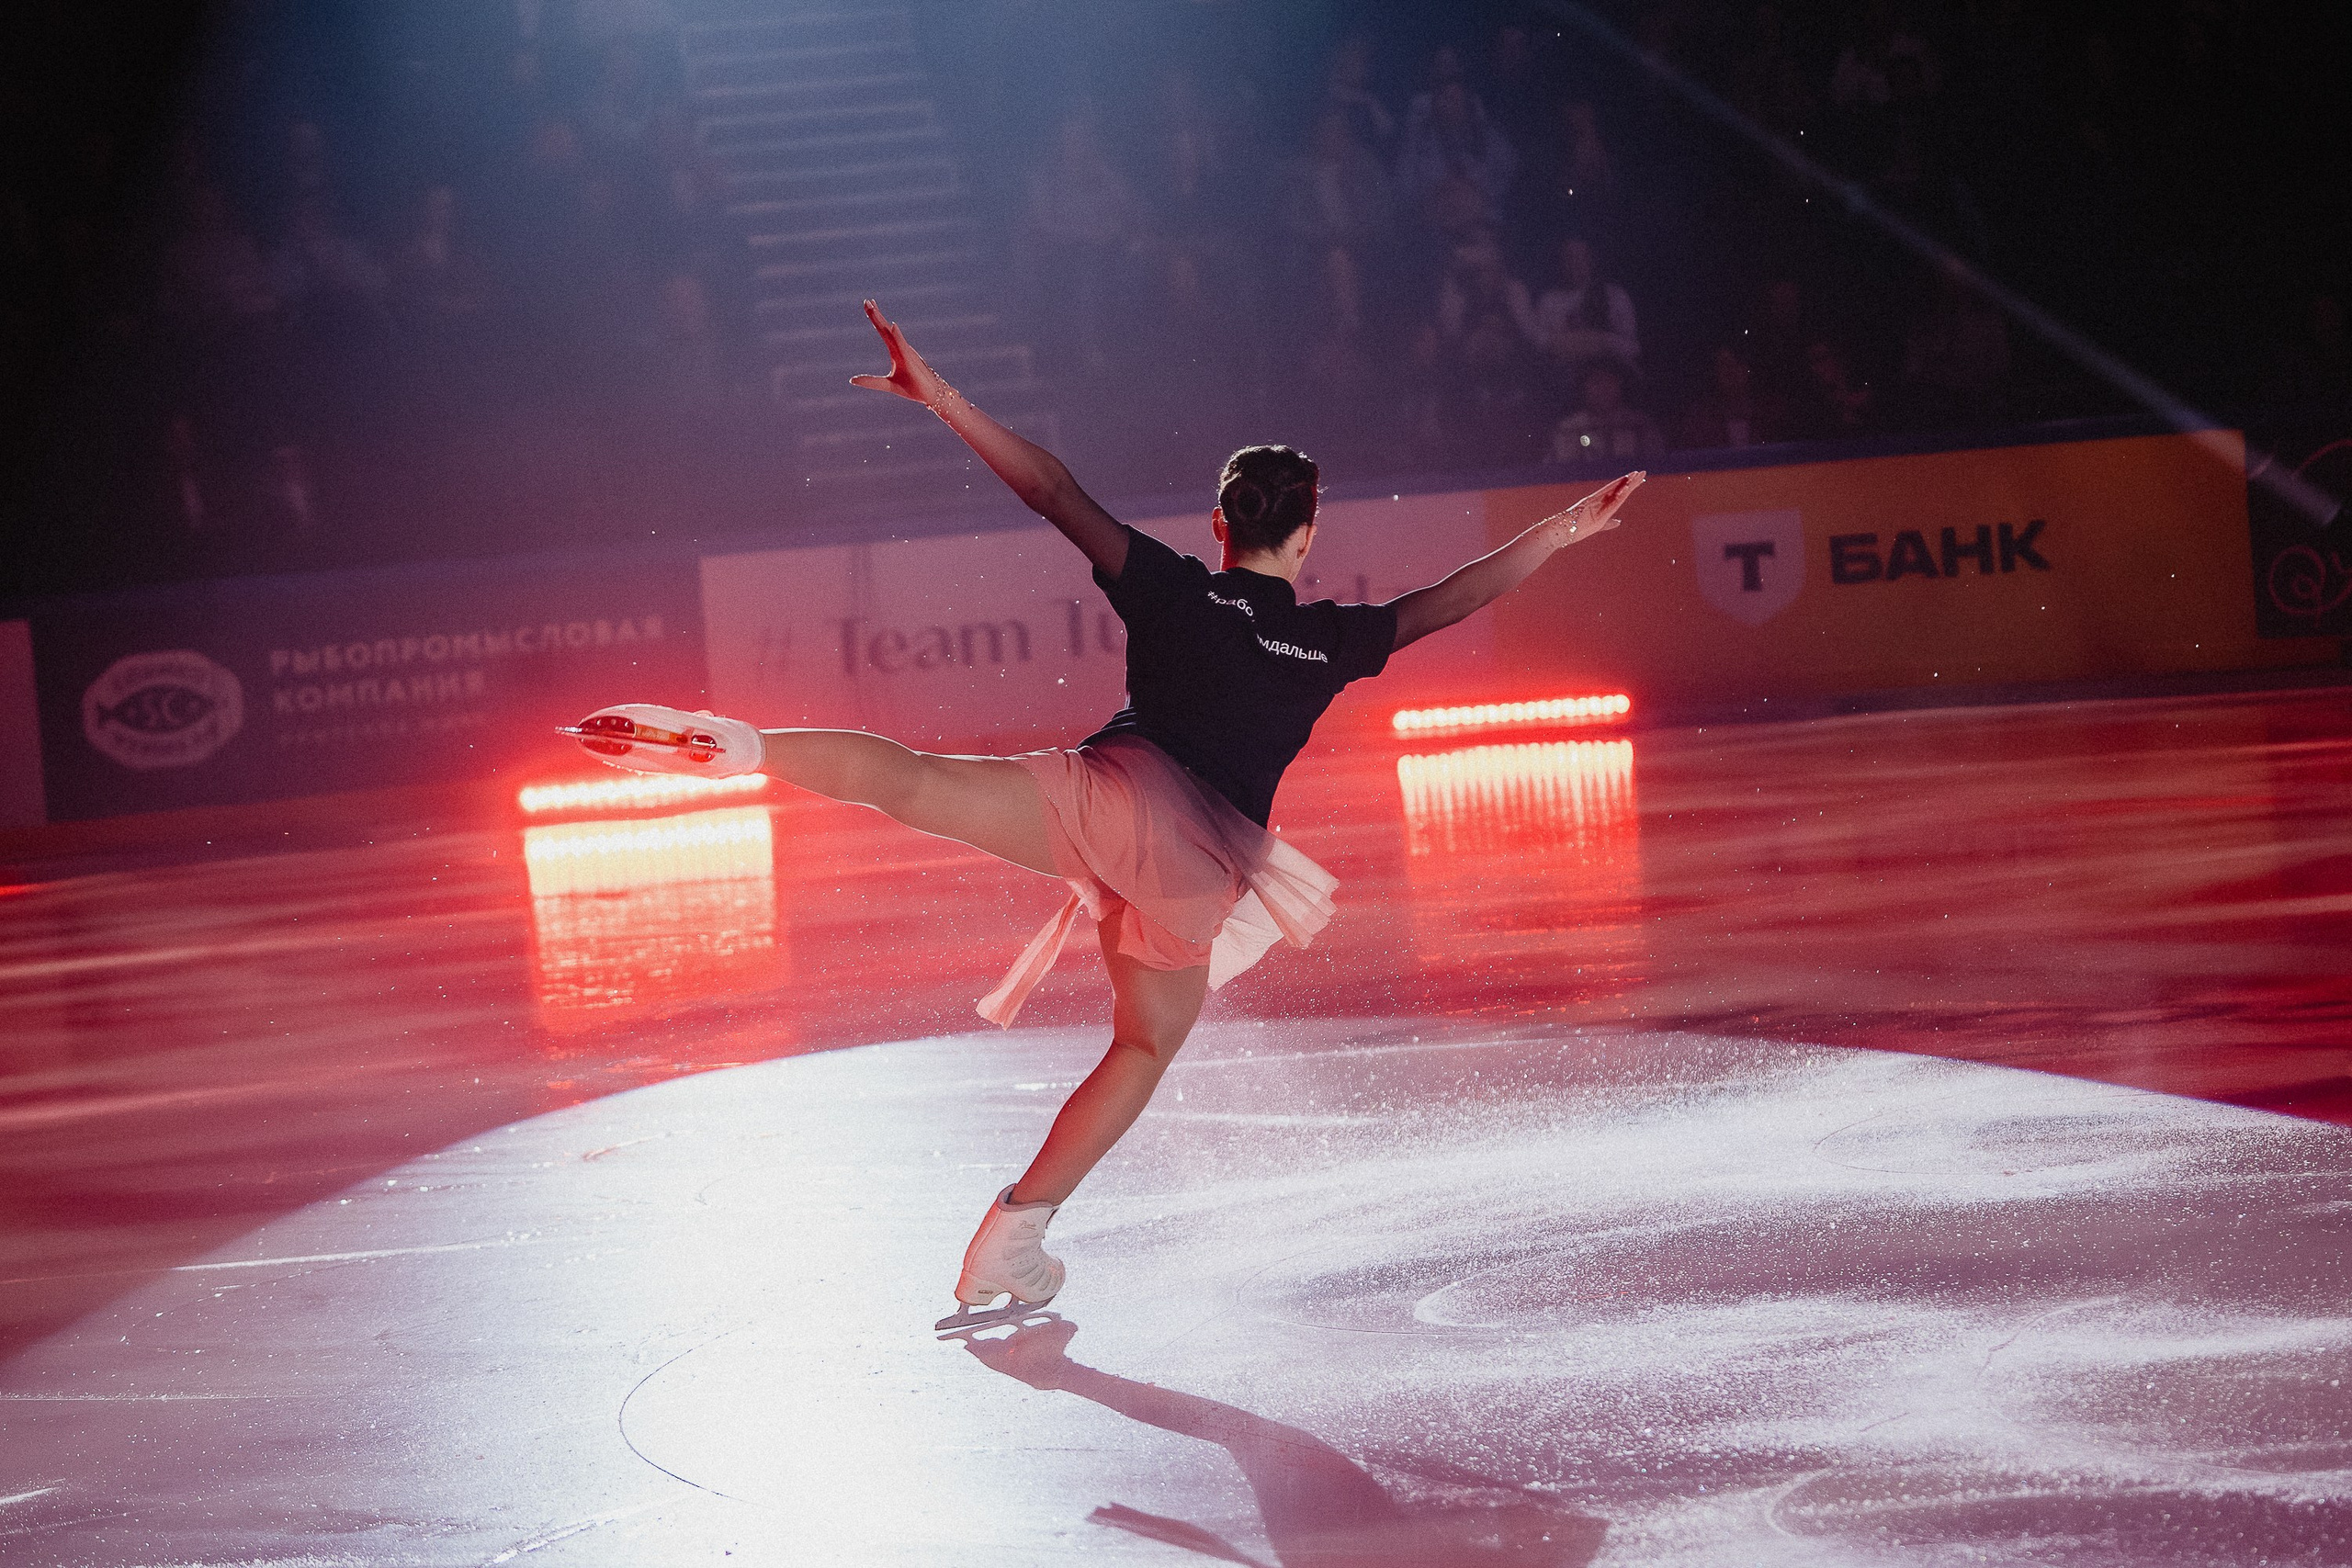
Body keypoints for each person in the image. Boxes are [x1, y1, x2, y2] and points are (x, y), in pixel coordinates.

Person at [569, 301, 1643, 1330]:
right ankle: (1013, 1234)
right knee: (1141, 1046)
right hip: (1193, 861)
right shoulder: (1327, 640)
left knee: (908, 778)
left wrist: (940, 395)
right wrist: (1560, 529)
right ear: (1306, 537)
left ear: (1221, 525)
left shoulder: (1173, 587)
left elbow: (1053, 490)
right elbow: (1453, 597)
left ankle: (732, 741)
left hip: (1098, 792)